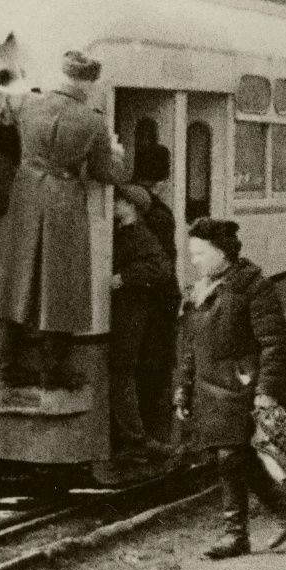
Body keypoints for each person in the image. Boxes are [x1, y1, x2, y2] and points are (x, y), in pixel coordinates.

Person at [0, 52, 129, 389]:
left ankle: (5, 364)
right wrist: (118, 154)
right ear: (89, 82)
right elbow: (104, 172)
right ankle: (53, 369)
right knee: (62, 280)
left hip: (26, 194)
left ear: (62, 75)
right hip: (64, 199)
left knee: (18, 274)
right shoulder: (93, 121)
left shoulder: (28, 104)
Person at [174, 218, 286, 559]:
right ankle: (279, 504)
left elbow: (275, 342)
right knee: (232, 459)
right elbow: (191, 347)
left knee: (230, 458)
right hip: (209, 389)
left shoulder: (252, 286)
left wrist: (267, 389)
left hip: (242, 386)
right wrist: (183, 389)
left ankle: (235, 534)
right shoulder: (200, 290)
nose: (193, 260)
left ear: (222, 252)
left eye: (199, 253)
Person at [110, 185, 173, 463]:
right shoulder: (125, 232)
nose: (114, 202)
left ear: (132, 206)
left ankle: (136, 440)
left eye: (120, 200)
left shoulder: (139, 235)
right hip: (127, 313)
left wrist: (124, 277)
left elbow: (161, 268)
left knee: (122, 371)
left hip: (131, 314)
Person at [133, 144, 181, 447]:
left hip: (143, 303)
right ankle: (158, 435)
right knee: (157, 370)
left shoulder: (136, 205)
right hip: (159, 304)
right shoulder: (157, 212)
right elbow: (164, 265)